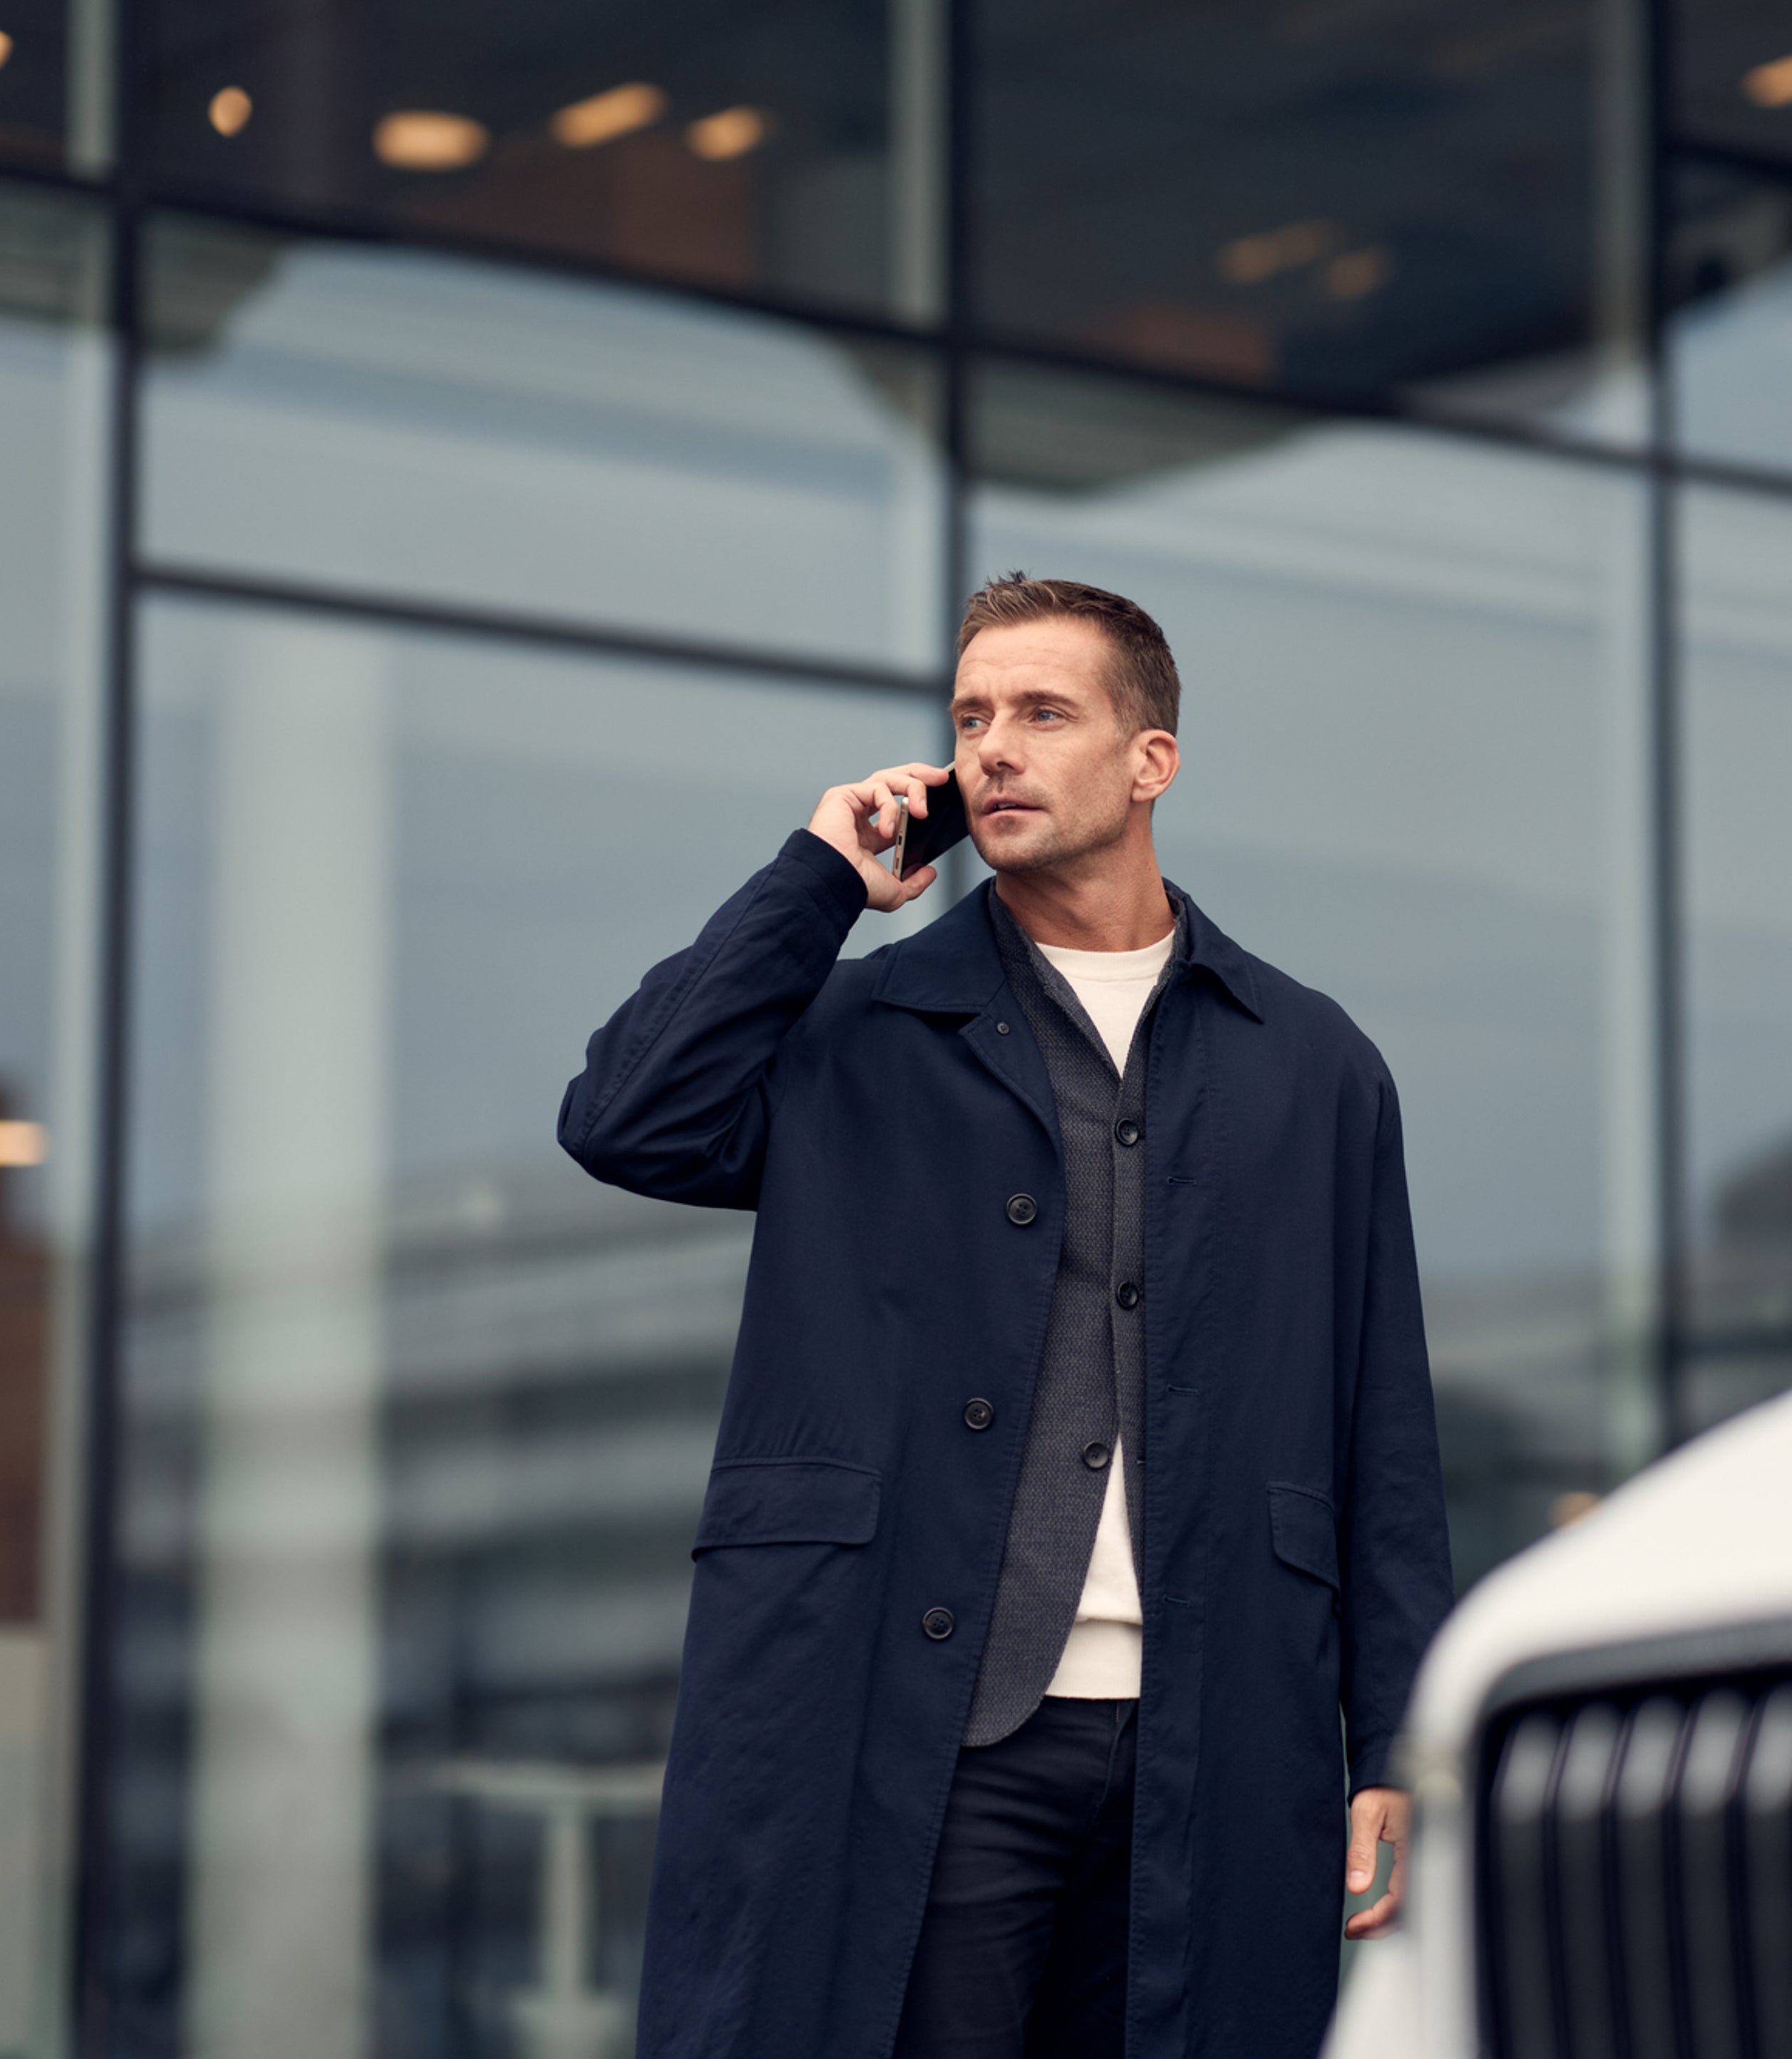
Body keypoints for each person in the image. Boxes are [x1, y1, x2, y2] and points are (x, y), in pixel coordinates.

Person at [559, 575, 1452, 2059]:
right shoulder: (859, 1032)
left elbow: (1385, 1425)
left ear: (1150, 759)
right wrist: (816, 879)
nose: (994, 749)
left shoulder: (1312, 1062)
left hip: (1218, 1729)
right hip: (930, 1720)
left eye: (1044, 713)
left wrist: (1402, 1732)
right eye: (972, 717)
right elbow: (628, 1118)